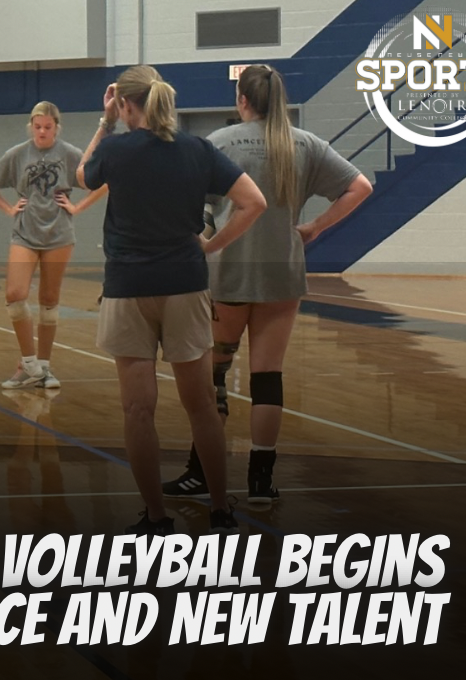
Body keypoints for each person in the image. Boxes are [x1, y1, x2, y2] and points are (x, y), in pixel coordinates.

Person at [162, 64, 372, 505]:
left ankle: (202, 474)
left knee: (214, 378)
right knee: (268, 378)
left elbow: (180, 199)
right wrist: (313, 227)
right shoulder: (306, 144)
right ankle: (261, 480)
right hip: (283, 274)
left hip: (227, 272)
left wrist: (202, 240)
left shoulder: (218, 143)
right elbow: (360, 186)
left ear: (241, 100)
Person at [76, 65, 268, 535]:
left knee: (138, 410)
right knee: (201, 403)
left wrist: (104, 123)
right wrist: (212, 245)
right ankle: (221, 507)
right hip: (186, 283)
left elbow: (83, 175)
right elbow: (254, 202)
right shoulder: (198, 149)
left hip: (128, 288)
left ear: (124, 104)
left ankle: (157, 516)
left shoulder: (116, 149)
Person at [0, 101, 106, 390]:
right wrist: (9, 209)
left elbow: (102, 182)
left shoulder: (71, 154)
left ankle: (44, 368)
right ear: (31, 127)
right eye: (37, 127)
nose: (42, 132)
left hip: (59, 234)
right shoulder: (18, 154)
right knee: (15, 294)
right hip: (25, 232)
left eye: (48, 127)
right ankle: (28, 363)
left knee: (49, 300)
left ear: (56, 128)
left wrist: (78, 207)